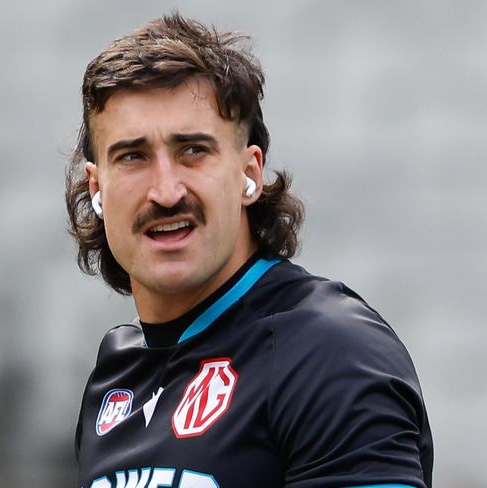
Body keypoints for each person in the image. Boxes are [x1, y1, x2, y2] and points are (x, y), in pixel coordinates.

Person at [66, 13, 433, 488]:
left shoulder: (330, 351)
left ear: (250, 174)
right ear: (98, 187)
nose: (166, 191)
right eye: (132, 156)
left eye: (193, 150)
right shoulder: (114, 373)